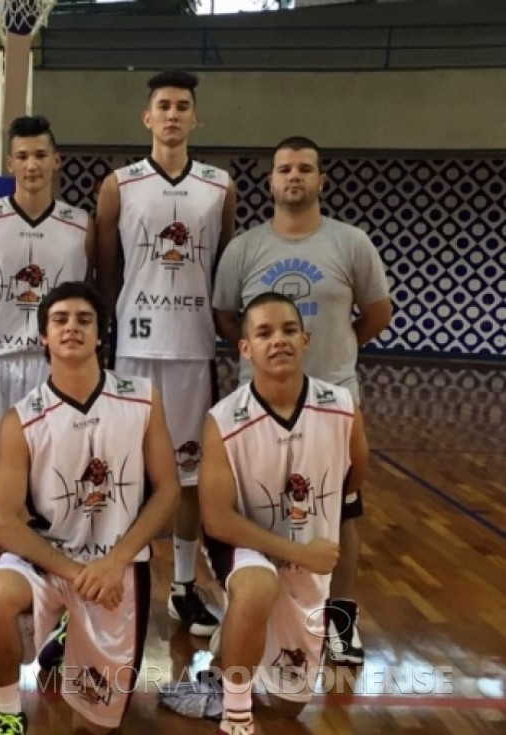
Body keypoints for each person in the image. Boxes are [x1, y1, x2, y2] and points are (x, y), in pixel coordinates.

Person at [212, 135, 391, 664]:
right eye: (285, 169)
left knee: (340, 512)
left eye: (305, 169)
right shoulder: (244, 247)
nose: (294, 177)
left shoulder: (351, 243)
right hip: (259, 404)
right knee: (261, 508)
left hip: (333, 400)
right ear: (271, 182)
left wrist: (336, 353)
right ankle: (253, 605)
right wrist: (267, 360)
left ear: (320, 181)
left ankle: (340, 621)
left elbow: (377, 312)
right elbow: (226, 317)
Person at [0, 281, 181, 735]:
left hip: (119, 565)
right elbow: (3, 522)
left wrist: (116, 561)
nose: (72, 328)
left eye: (84, 320)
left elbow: (168, 491)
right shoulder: (21, 418)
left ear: (100, 334)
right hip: (49, 561)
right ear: (43, 336)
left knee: (96, 728)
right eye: (60, 320)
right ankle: (9, 712)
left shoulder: (143, 398)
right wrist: (77, 573)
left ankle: (68, 636)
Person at [160, 292, 368, 735]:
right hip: (243, 545)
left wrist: (311, 540)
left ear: (306, 339)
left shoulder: (343, 407)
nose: (279, 340)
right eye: (264, 332)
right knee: (258, 584)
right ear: (245, 348)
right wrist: (296, 550)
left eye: (289, 330)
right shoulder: (223, 419)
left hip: (308, 562)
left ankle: (226, 652)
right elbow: (216, 521)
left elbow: (354, 478)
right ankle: (236, 715)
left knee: (289, 704)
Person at [95, 69, 236, 635]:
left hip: (192, 345)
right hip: (134, 344)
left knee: (188, 475)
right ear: (147, 118)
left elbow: (222, 264)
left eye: (182, 106)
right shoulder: (120, 184)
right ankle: (116, 573)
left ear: (194, 118)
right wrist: (116, 318)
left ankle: (181, 586)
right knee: (122, 468)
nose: (173, 115)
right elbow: (105, 267)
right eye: (163, 106)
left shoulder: (220, 185)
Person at [0, 115, 94, 590]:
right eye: (23, 156)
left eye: (40, 155)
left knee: (62, 476)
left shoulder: (79, 224)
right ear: (10, 162)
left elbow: (89, 298)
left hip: (57, 366)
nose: (32, 165)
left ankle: (56, 581)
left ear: (57, 160)